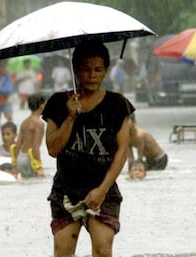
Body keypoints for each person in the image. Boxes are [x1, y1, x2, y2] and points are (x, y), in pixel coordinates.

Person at [42, 40, 134, 257]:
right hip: (66, 189)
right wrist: (71, 116)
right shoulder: (57, 103)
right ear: (75, 71)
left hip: (104, 187)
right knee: (62, 251)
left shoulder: (117, 104)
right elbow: (52, 149)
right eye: (86, 69)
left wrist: (102, 190)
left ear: (106, 71)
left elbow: (122, 151)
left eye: (98, 69)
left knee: (103, 249)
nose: (92, 75)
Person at [15, 93, 46, 178]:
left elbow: (17, 145)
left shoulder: (24, 122)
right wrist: (39, 166)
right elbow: (35, 147)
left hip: (20, 158)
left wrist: (14, 163)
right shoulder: (39, 124)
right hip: (30, 159)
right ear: (42, 106)